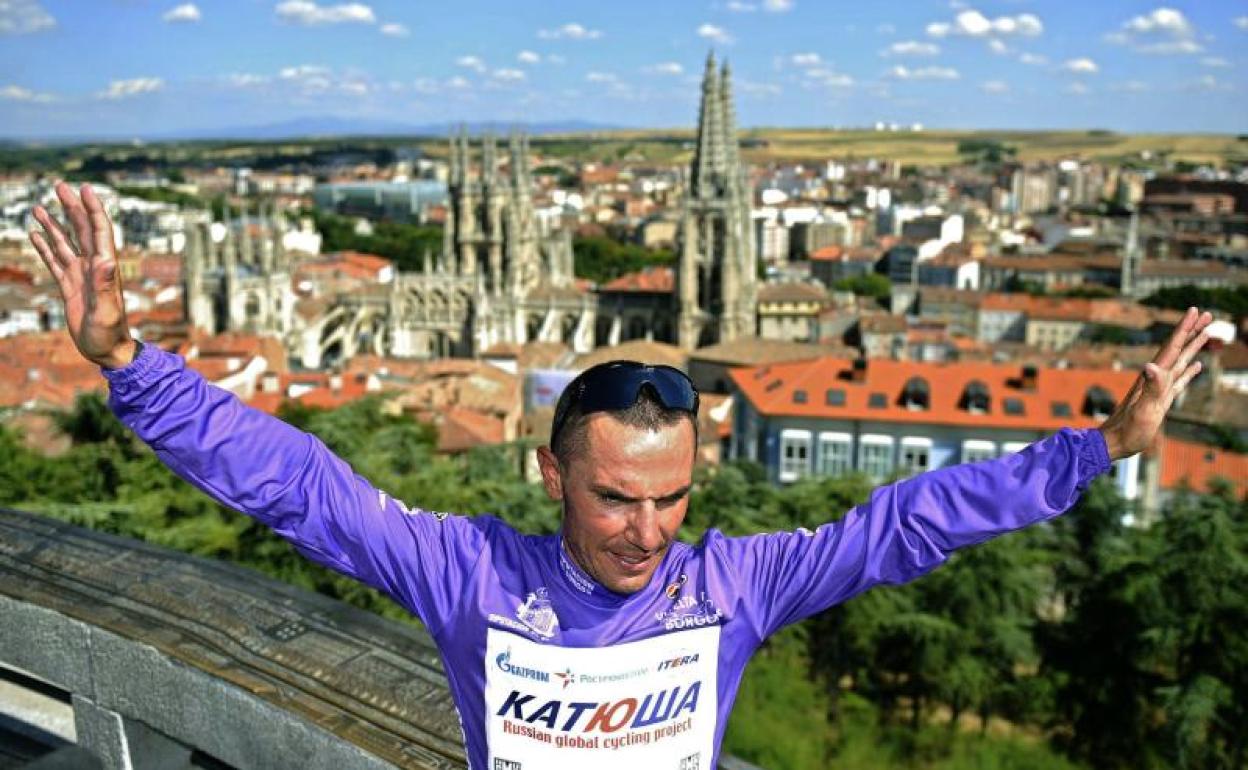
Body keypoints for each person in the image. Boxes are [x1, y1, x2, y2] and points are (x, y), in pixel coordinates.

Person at [31, 181, 1211, 769]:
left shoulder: (733, 585)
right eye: (614, 496)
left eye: (670, 497)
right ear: (550, 473)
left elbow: (911, 520)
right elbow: (298, 483)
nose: (647, 531)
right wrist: (131, 365)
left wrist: (1097, 448)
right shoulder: (468, 572)